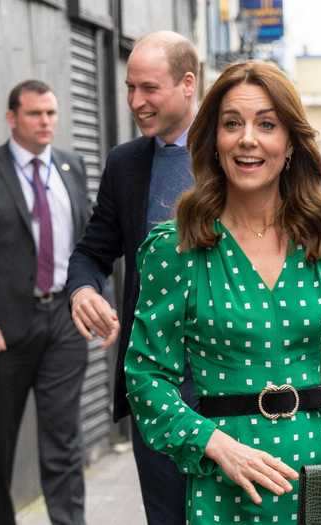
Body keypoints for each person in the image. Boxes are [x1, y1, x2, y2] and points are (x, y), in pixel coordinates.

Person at [124, 60, 321, 524]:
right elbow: (146, 375)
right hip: (224, 483)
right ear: (214, 140)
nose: (247, 139)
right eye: (232, 124)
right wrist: (212, 444)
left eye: (267, 124)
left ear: (290, 142)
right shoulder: (176, 246)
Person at [66, 31, 198, 525]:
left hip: (233, 385)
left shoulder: (236, 153)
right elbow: (92, 251)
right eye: (129, 88)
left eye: (149, 88)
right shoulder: (126, 163)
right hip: (156, 387)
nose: (136, 102)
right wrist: (82, 290)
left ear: (188, 84)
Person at [0, 79, 89, 525]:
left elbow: (88, 244)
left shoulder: (71, 165)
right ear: (13, 118)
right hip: (4, 327)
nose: (45, 122)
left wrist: (97, 304)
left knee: (63, 437)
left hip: (65, 322)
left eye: (51, 113)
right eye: (35, 114)